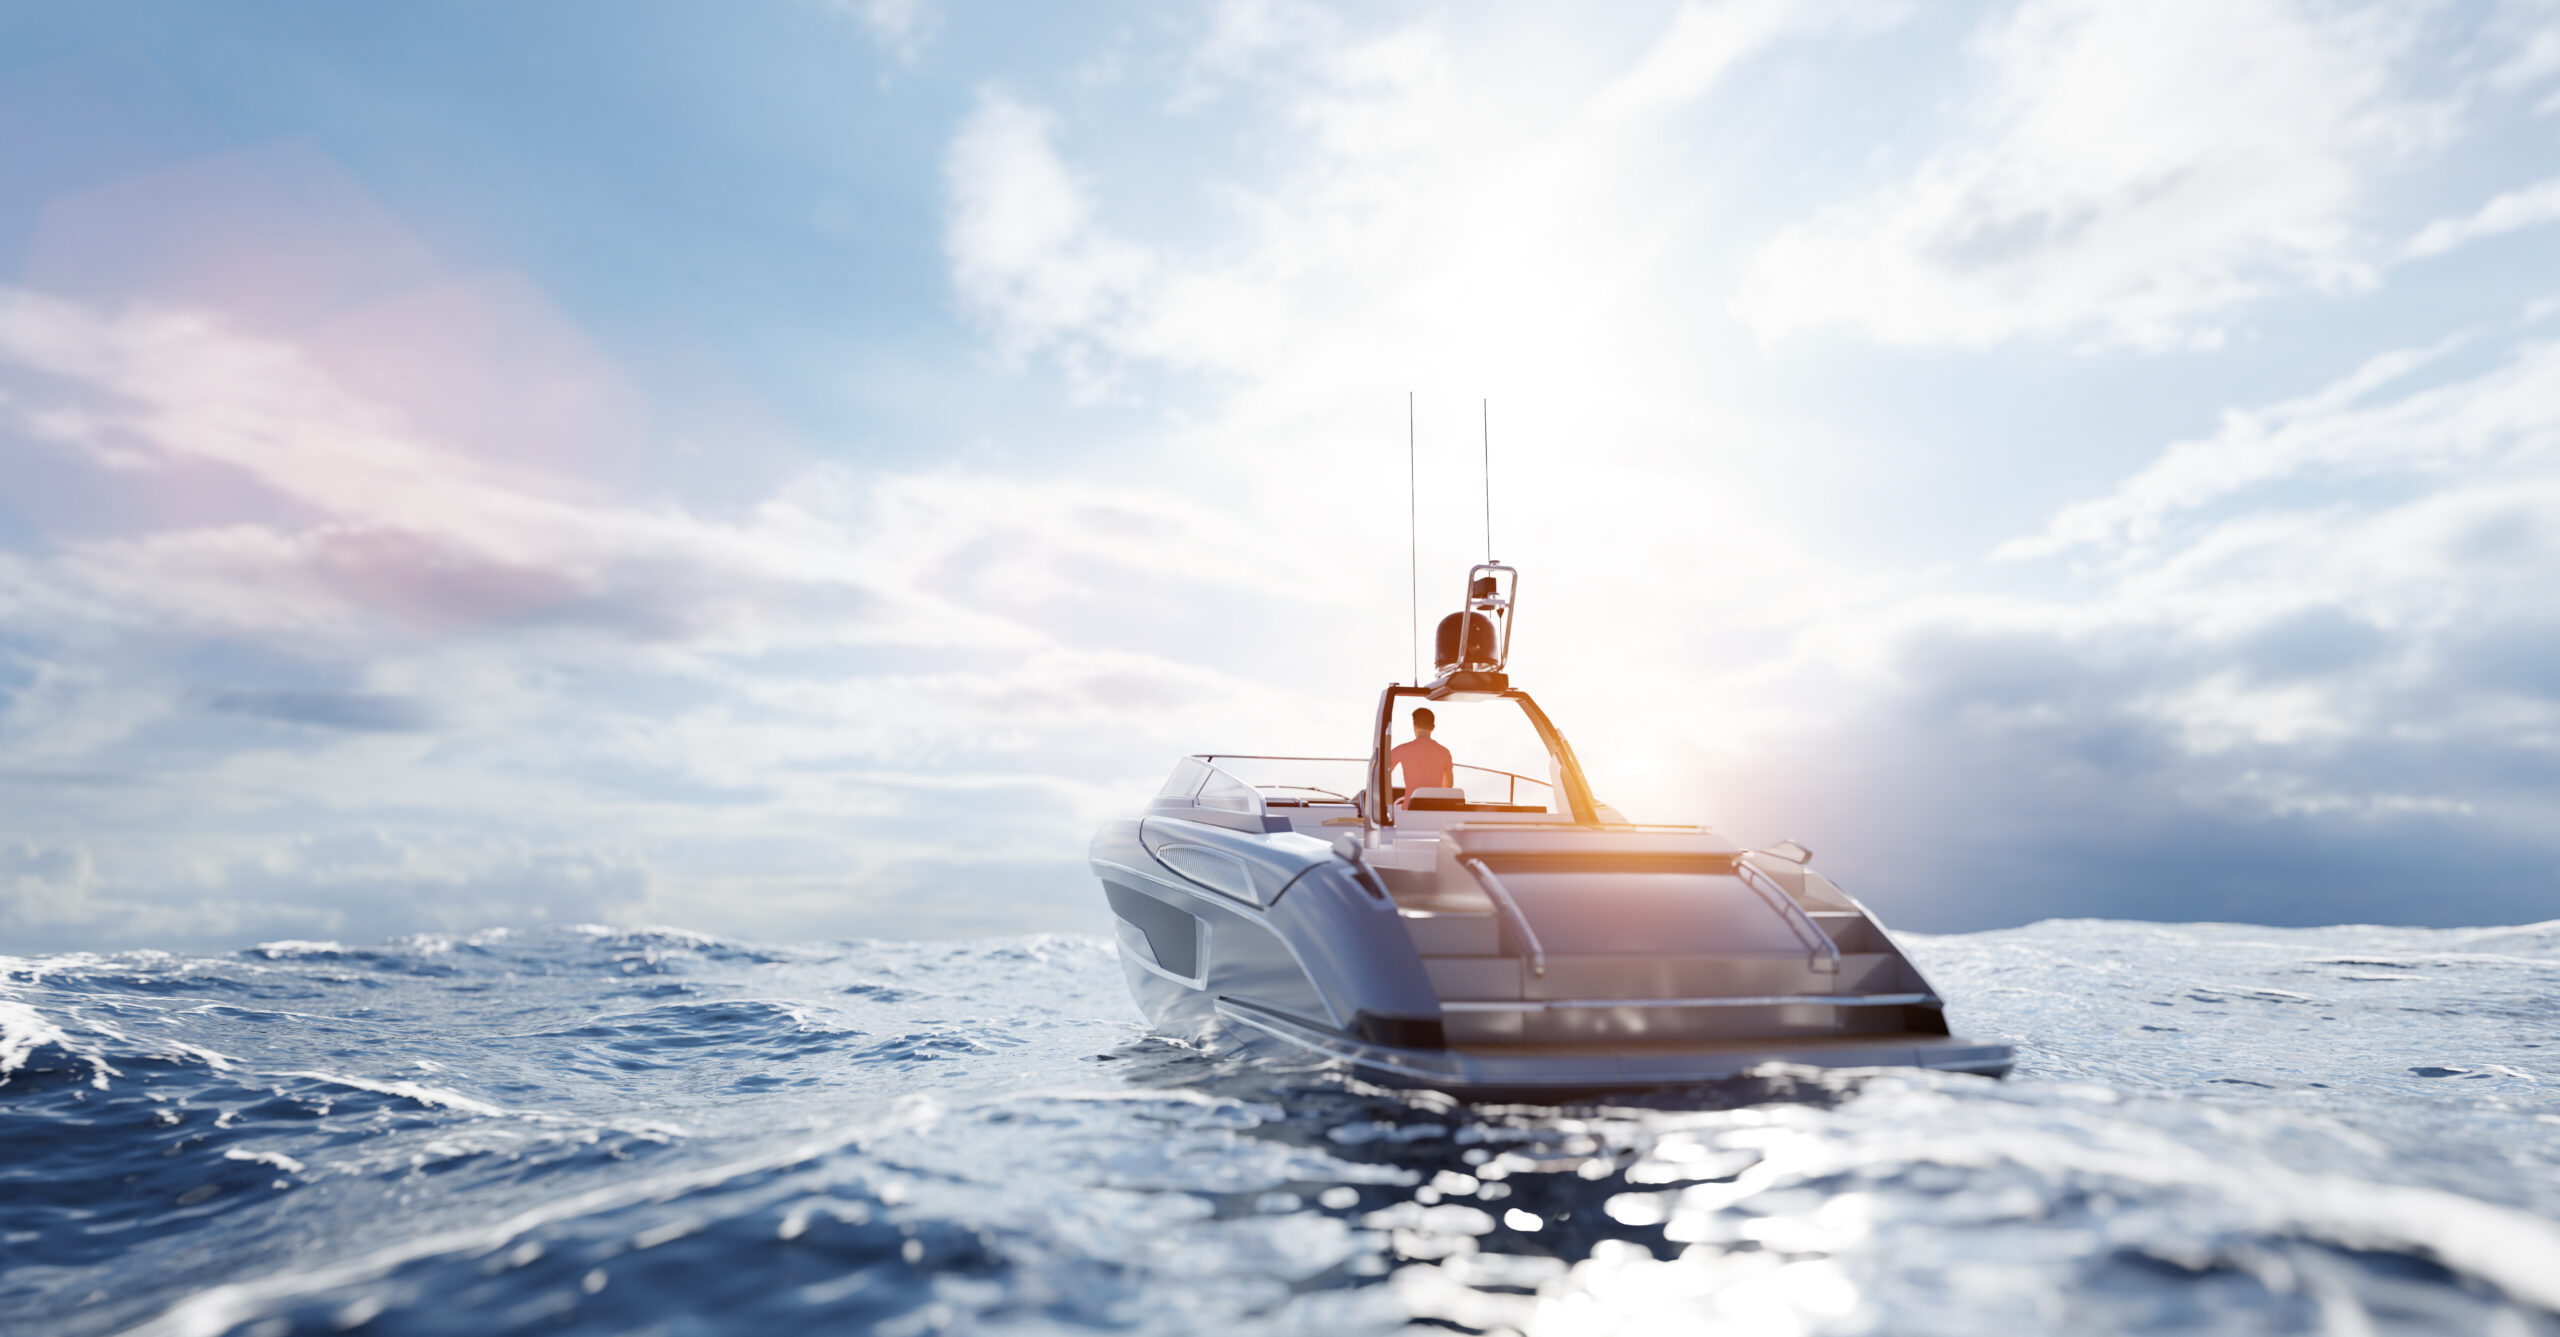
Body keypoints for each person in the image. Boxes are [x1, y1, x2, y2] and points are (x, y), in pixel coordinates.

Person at [1389, 707, 1454, 806]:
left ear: (1414, 726)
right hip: (1436, 809)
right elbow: (1448, 787)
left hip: (1410, 810)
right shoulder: (1445, 752)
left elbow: (1383, 774)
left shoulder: (1402, 749)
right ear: (1433, 727)